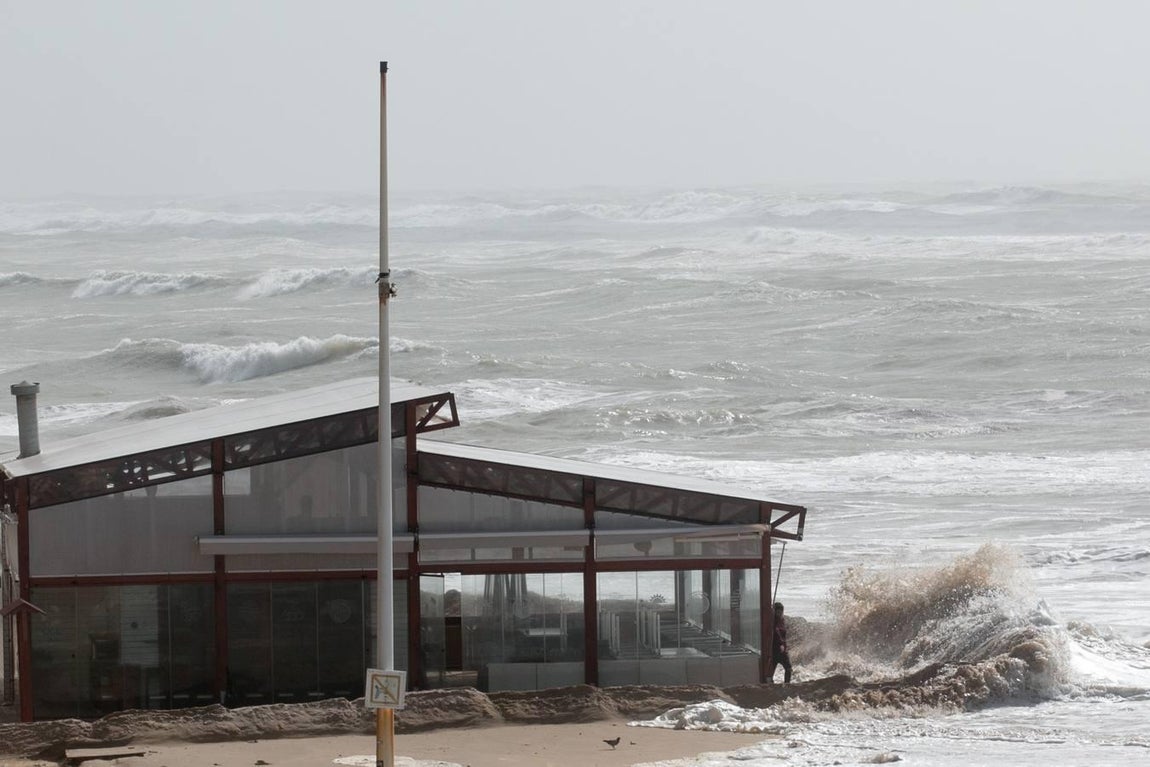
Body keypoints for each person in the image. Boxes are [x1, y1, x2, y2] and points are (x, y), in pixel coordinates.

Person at [768, 601, 792, 684]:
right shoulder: (773, 621)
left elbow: (782, 634)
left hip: (781, 649)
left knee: (788, 668)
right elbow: (776, 632)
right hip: (776, 649)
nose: (780, 613)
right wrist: (781, 644)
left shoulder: (781, 620)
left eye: (781, 612)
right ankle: (772, 685)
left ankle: (786, 684)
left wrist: (784, 645)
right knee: (771, 672)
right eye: (777, 612)